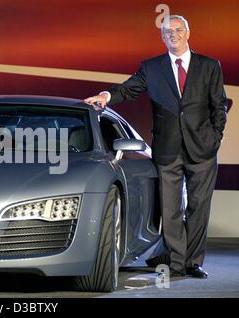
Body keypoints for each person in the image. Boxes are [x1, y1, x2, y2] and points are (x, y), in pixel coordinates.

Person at [85, 15, 227, 278]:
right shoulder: (152, 68)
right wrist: (106, 96)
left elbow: (219, 106)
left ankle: (193, 262)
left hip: (202, 150)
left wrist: (215, 138)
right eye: (167, 31)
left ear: (187, 33)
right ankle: (175, 263)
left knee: (199, 207)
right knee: (171, 209)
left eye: (178, 29)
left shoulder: (209, 66)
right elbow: (128, 90)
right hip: (167, 149)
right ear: (162, 38)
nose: (173, 34)